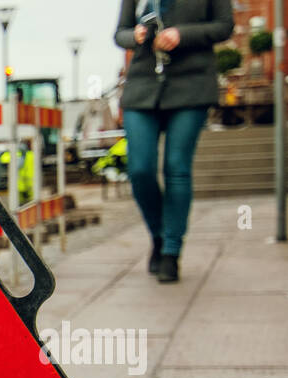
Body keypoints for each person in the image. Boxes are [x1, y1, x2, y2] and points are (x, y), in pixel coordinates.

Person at [115, 0, 232, 283]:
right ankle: (158, 234)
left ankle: (171, 251)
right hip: (143, 84)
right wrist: (136, 36)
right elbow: (120, 33)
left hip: (192, 84)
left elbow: (224, 26)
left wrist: (182, 34)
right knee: (140, 169)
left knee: (177, 168)